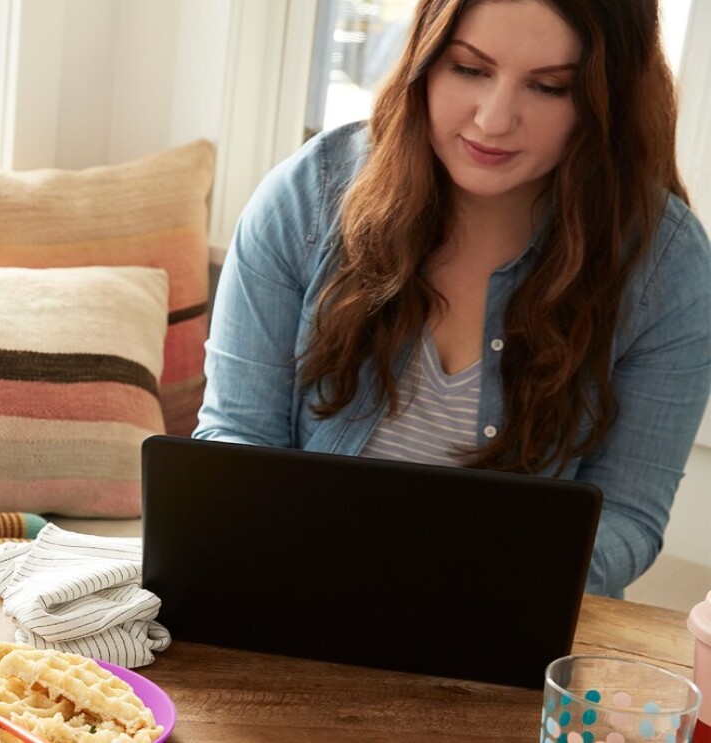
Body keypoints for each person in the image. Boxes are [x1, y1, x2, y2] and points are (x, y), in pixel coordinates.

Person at [195, 0, 711, 598]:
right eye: (469, 69)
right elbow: (237, 443)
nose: (493, 120)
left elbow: (628, 520)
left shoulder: (665, 267)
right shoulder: (306, 200)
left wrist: (453, 581)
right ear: (424, 59)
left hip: (513, 628)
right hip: (297, 596)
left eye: (548, 87)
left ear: (607, 100)